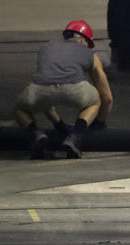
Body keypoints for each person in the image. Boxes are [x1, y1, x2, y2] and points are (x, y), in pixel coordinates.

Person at [13, 19, 114, 159]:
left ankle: (36, 134)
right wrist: (99, 124)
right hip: (75, 89)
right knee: (95, 101)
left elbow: (49, 87)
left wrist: (59, 126)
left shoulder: (46, 48)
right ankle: (75, 137)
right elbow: (107, 98)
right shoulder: (91, 54)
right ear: (83, 40)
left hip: (38, 90)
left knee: (20, 108)